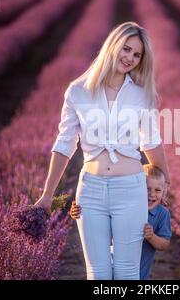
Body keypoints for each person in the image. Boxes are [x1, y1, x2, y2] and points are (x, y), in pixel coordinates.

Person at [34, 22, 171, 280]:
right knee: (97, 274)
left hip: (130, 189)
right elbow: (65, 143)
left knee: (127, 273)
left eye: (137, 54)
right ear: (113, 45)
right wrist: (47, 195)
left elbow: (151, 142)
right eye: (126, 49)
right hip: (91, 191)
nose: (129, 57)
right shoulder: (77, 91)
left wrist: (166, 185)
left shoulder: (142, 95)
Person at [70, 164, 171, 280]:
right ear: (137, 188)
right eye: (147, 189)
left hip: (139, 275)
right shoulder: (124, 206)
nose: (152, 194)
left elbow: (164, 244)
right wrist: (78, 213)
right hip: (110, 270)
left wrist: (151, 237)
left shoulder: (162, 214)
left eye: (157, 190)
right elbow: (100, 221)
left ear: (163, 193)